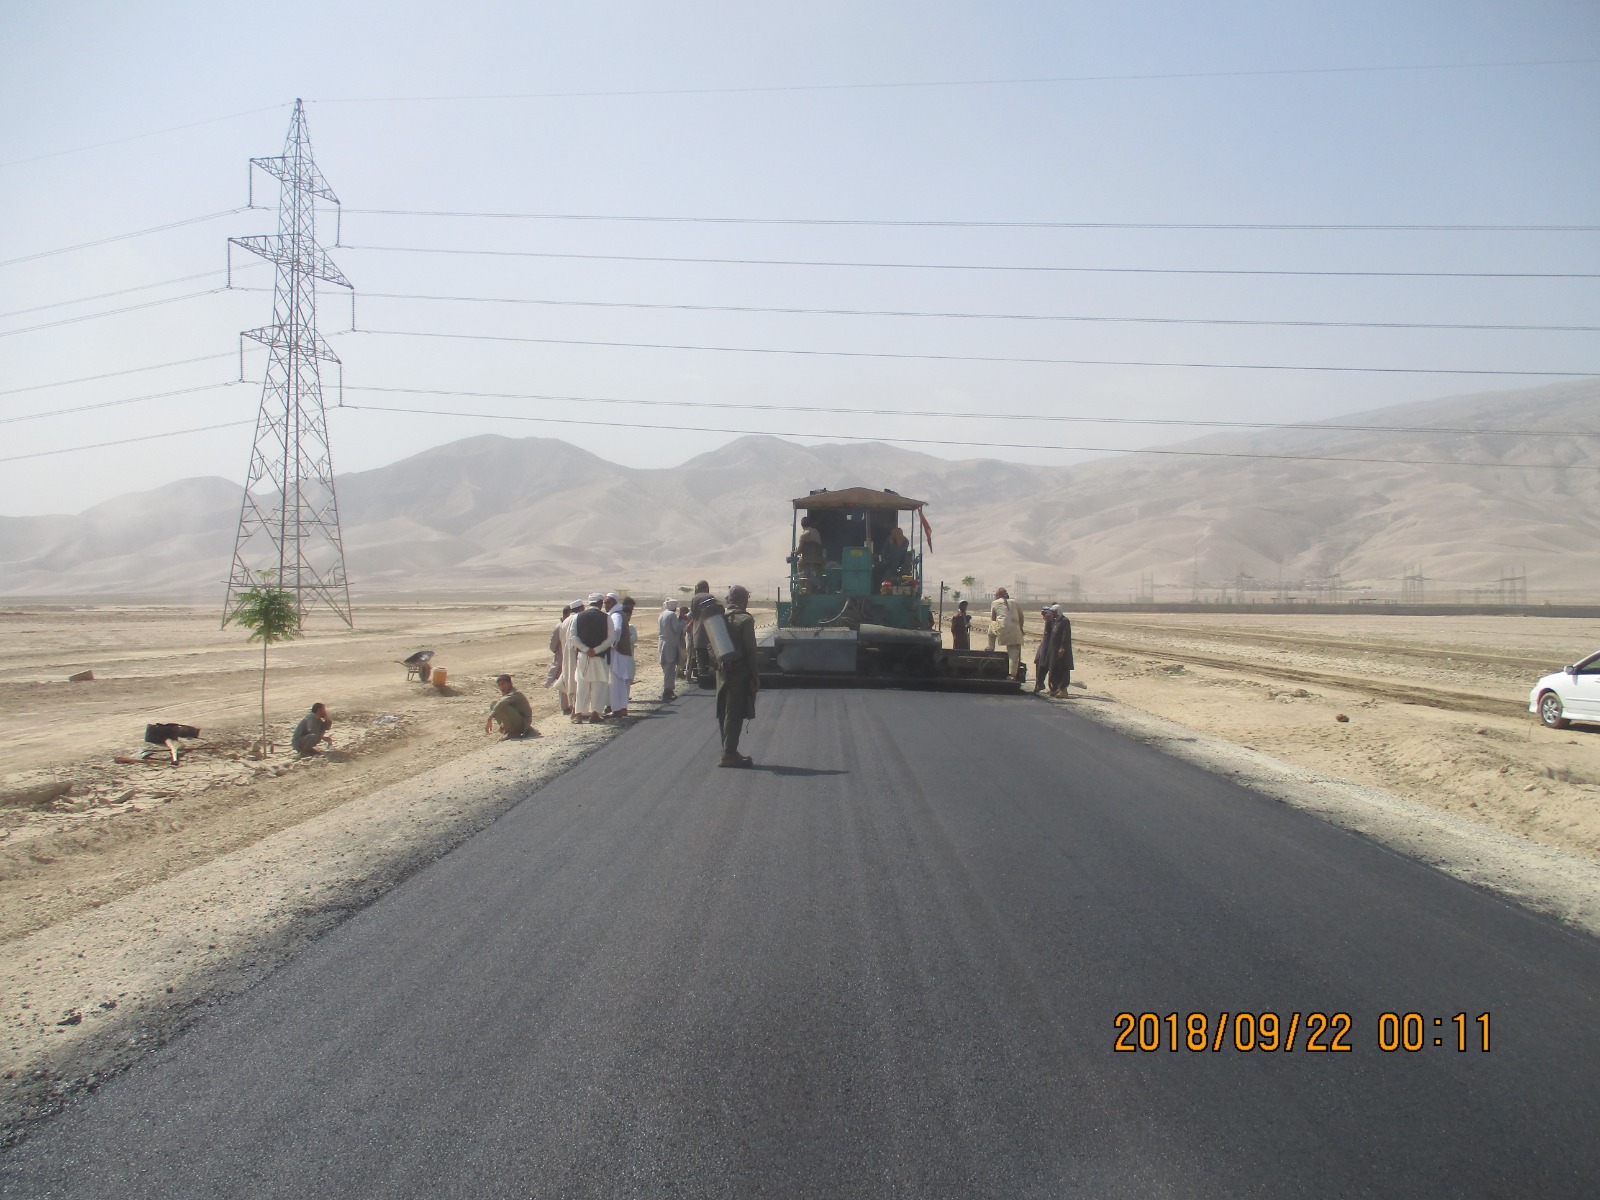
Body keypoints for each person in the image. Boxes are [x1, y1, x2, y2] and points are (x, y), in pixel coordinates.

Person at [715, 585, 761, 767]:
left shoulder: (718, 620)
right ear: (744, 600)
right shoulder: (745, 620)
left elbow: (711, 646)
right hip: (739, 674)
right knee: (734, 712)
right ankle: (729, 754)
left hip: (721, 673)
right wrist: (755, 675)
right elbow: (750, 650)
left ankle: (727, 749)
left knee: (724, 711)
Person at [571, 593, 616, 722]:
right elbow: (611, 638)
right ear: (600, 603)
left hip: (583, 657)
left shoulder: (577, 617)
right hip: (600, 657)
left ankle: (579, 715)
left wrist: (585, 650)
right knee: (599, 685)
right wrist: (596, 650)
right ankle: (596, 714)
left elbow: (573, 637)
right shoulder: (606, 618)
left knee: (582, 685)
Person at [988, 587, 1026, 681]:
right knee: (1013, 651)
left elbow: (993, 618)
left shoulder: (995, 603)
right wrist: (1020, 628)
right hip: (1015, 628)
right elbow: (1021, 617)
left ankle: (991, 646)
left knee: (991, 626)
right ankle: (1012, 675)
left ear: (998, 595)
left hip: (1002, 628)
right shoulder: (1014, 602)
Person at [609, 596, 637, 718]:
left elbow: (618, 631)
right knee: (621, 682)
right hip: (623, 654)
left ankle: (620, 708)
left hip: (623, 655)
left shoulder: (618, 618)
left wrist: (613, 644)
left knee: (621, 682)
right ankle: (621, 707)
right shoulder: (620, 617)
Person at [544, 605, 572, 711]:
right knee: (562, 682)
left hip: (569, 658)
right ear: (565, 615)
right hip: (561, 659)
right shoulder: (559, 627)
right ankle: (565, 707)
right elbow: (552, 645)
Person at [1047, 605, 1075, 697]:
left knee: (1063, 669)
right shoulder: (1055, 621)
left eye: (1053, 611)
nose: (1052, 613)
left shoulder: (1064, 621)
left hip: (1062, 651)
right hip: (1054, 650)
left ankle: (1063, 690)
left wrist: (1062, 647)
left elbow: (1066, 635)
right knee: (1054, 668)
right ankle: (1055, 688)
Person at [658, 600, 682, 700]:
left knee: (666, 669)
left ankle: (668, 690)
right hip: (669, 645)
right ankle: (667, 691)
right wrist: (683, 622)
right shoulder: (672, 615)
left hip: (662, 644)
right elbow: (676, 629)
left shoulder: (662, 615)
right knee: (669, 668)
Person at [795, 515, 825, 592]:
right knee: (820, 567)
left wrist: (795, 552)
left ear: (802, 525)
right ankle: (820, 582)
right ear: (810, 524)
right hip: (818, 560)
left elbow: (799, 551)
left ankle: (803, 583)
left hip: (806, 560)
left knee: (799, 564)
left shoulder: (803, 535)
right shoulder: (816, 532)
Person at [1033, 608, 1055, 694]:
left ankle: (1049, 686)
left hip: (1049, 647)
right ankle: (1039, 683)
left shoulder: (1053, 623)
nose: (1044, 616)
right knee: (1038, 662)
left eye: (1045, 614)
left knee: (1045, 665)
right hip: (1044, 646)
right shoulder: (1048, 622)